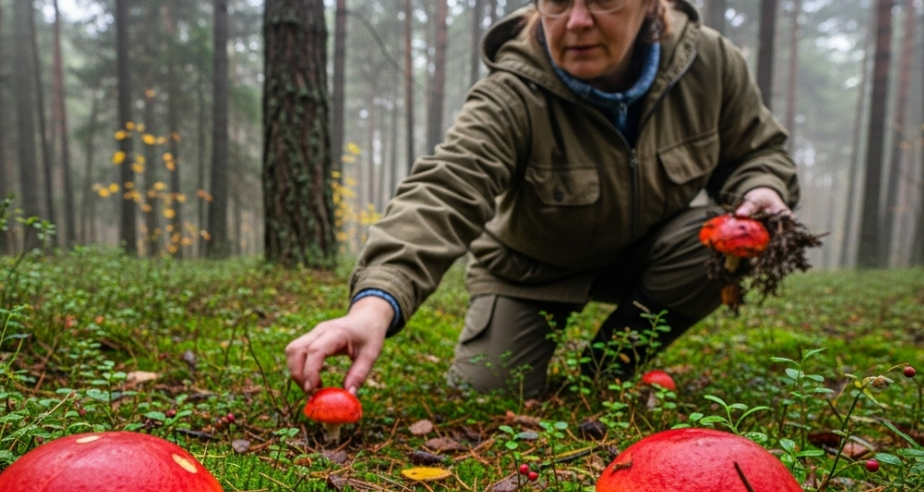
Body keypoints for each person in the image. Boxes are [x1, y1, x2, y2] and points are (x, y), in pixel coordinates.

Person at [286, 0, 798, 398]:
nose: (576, 21)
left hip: (653, 253)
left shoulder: (710, 63)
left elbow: (758, 150)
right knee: (486, 391)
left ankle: (607, 369)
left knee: (725, 239)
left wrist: (763, 189)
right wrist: (374, 304)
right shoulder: (514, 89)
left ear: (651, 5)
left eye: (601, 2)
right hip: (532, 269)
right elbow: (447, 188)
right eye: (555, 2)